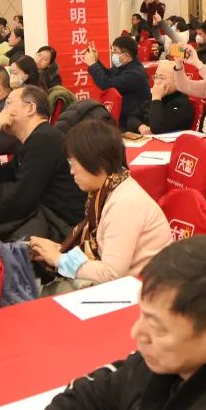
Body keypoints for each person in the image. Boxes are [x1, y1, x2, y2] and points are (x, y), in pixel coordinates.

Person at [43, 236, 206, 410]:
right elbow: (87, 396)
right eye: (143, 315)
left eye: (158, 327)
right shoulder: (173, 359)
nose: (136, 333)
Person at [29, 120, 171, 292]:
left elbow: (112, 274)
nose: (71, 171)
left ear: (98, 162)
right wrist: (59, 251)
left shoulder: (124, 203)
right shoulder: (108, 190)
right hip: (129, 281)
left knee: (43, 295)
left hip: (144, 289)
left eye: (73, 163)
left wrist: (59, 259)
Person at [0, 86, 85, 241]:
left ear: (30, 108)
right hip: (46, 222)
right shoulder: (33, 140)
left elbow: (21, 198)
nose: (2, 112)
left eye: (8, 104)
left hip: (62, 229)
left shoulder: (45, 139)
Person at [86, 36, 151, 126]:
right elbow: (109, 75)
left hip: (135, 122)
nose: (113, 55)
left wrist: (92, 65)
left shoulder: (135, 74)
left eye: (115, 51)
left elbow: (106, 83)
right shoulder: (125, 66)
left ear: (126, 56)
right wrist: (96, 61)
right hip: (124, 117)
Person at [125, 65, 194, 136]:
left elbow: (157, 129)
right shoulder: (157, 95)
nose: (157, 82)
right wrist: (141, 127)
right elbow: (131, 118)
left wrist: (156, 98)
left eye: (162, 78)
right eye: (156, 77)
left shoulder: (182, 103)